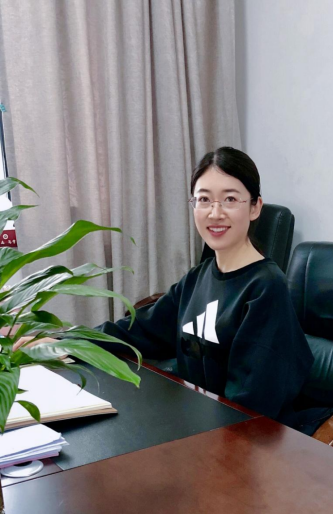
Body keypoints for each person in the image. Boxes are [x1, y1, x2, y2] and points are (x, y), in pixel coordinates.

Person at [15, 147, 315, 429]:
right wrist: (61, 341)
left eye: (230, 199)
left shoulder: (266, 289)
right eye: (204, 199)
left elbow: (253, 406)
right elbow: (136, 331)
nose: (215, 212)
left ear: (254, 207)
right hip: (196, 425)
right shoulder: (198, 278)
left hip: (244, 441)